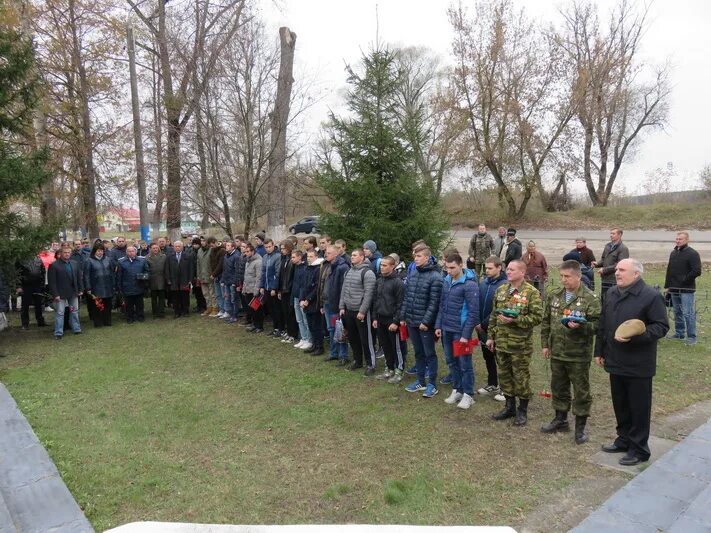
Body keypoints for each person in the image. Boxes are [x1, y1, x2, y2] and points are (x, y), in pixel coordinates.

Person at [595, 258, 668, 466]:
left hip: (638, 363)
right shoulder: (611, 293)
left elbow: (661, 326)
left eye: (622, 270)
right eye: (617, 269)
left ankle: (639, 449)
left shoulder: (651, 296)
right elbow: (603, 323)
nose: (617, 273)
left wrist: (634, 336)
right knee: (621, 404)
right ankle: (624, 439)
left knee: (638, 407)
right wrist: (599, 351)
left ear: (636, 274)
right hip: (615, 359)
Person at [540, 260, 601, 444]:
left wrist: (581, 327)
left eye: (567, 276)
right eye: (561, 276)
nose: (563, 280)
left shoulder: (590, 298)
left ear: (578, 276)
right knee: (558, 387)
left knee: (581, 391)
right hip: (557, 351)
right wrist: (545, 344)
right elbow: (546, 321)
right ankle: (560, 419)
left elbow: (598, 325)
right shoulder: (554, 295)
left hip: (578, 354)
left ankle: (580, 427)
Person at [486, 259, 543, 426]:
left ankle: (522, 411)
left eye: (512, 269)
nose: (508, 272)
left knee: (521, 378)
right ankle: (509, 407)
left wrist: (516, 320)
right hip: (502, 342)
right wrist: (490, 336)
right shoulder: (501, 290)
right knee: (504, 376)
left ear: (522, 272)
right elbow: (493, 315)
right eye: (507, 269)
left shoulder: (531, 292)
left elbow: (537, 317)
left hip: (520, 345)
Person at [435, 253, 480, 409]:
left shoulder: (470, 284)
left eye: (452, 268)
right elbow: (442, 305)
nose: (449, 271)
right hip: (446, 329)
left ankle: (468, 394)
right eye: (447, 268)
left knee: (464, 363)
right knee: (451, 361)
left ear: (461, 265)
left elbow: (473, 313)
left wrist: (465, 335)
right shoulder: (446, 281)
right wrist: (438, 325)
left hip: (460, 332)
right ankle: (457, 389)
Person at [401, 245, 443, 398]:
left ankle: (432, 383)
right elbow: (407, 297)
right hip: (412, 320)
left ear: (427, 258)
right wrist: (403, 316)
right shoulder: (413, 274)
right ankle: (420, 381)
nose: (416, 259)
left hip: (425, 324)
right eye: (415, 256)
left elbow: (434, 302)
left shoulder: (435, 277)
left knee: (429, 353)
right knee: (418, 352)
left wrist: (426, 321)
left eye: (419, 256)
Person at [340, 248, 377, 375]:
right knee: (353, 337)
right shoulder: (349, 271)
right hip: (348, 310)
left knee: (366, 339)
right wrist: (341, 306)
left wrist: (362, 311)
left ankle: (370, 364)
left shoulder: (368, 273)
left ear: (362, 257)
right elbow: (343, 290)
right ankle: (357, 360)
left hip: (361, 312)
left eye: (355, 255)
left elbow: (369, 294)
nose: (352, 257)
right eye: (352, 255)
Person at [476, 256, 507, 401]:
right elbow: (476, 303)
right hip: (481, 329)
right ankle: (492, 383)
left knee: (501, 358)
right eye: (485, 268)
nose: (486, 271)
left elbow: (499, 309)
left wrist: (484, 324)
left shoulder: (505, 285)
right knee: (487, 356)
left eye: (490, 268)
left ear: (499, 267)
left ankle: (505, 388)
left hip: (496, 329)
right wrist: (477, 323)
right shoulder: (483, 283)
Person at [664, 231, 702, 345]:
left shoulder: (692, 253)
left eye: (680, 239)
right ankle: (680, 333)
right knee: (677, 311)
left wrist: (684, 280)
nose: (678, 241)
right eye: (677, 239)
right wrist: (668, 286)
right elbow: (669, 270)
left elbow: (697, 271)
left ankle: (692, 337)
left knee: (688, 313)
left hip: (687, 289)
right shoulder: (673, 253)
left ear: (687, 240)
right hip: (674, 288)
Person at [371, 255, 405, 381]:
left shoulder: (398, 282)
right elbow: (375, 300)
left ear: (392, 266)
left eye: (385, 265)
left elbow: (400, 304)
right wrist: (375, 318)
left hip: (392, 320)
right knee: (385, 345)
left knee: (396, 347)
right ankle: (389, 368)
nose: (382, 267)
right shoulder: (379, 281)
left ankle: (399, 370)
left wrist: (396, 321)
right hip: (380, 319)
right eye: (381, 265)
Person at [322, 245, 350, 364]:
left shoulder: (342, 267)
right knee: (331, 329)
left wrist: (341, 306)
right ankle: (334, 353)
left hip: (336, 305)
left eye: (328, 253)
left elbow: (342, 289)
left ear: (335, 254)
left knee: (340, 329)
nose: (325, 255)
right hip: (327, 302)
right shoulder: (328, 265)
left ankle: (343, 355)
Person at [47, 246, 83, 339]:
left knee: (74, 311)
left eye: (68, 252)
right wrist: (55, 294)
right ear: (61, 253)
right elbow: (52, 282)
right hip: (60, 293)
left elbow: (79, 278)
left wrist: (80, 289)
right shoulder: (54, 265)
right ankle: (58, 332)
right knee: (60, 313)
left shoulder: (74, 263)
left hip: (73, 292)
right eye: (65, 252)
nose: (67, 254)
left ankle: (76, 329)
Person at [592, 228, 629, 303]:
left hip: (615, 279)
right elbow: (603, 259)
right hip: (605, 278)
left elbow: (620, 265)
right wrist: (597, 264)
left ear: (620, 235)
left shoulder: (623, 248)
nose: (611, 235)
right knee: (604, 299)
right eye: (610, 233)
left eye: (613, 233)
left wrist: (604, 270)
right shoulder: (607, 246)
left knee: (613, 300)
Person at [83, 242, 115, 327]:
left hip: (107, 285)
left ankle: (107, 321)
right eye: (98, 251)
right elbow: (86, 275)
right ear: (94, 251)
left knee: (107, 305)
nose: (100, 252)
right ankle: (98, 322)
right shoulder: (89, 261)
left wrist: (113, 284)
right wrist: (88, 287)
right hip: (96, 286)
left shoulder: (107, 259)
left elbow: (111, 272)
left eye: (102, 251)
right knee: (97, 305)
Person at [301, 250, 326, 355]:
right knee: (310, 325)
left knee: (316, 325)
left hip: (314, 302)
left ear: (316, 257)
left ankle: (320, 346)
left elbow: (317, 287)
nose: (309, 258)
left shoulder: (318, 268)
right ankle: (314, 344)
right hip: (306, 301)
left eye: (311, 256)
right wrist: (301, 299)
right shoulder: (307, 267)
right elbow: (303, 285)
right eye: (308, 256)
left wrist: (308, 299)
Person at [116, 245, 149, 323]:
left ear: (135, 252)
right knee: (129, 304)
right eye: (129, 251)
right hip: (127, 286)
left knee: (139, 304)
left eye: (132, 251)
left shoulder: (142, 260)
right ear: (126, 252)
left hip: (139, 285)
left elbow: (147, 271)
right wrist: (119, 287)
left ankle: (140, 316)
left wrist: (143, 277)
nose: (131, 253)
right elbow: (119, 276)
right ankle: (130, 318)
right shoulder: (121, 262)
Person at [16, 253, 47, 329]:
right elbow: (17, 274)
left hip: (37, 285)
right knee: (25, 305)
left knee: (39, 304)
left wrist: (42, 285)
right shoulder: (20, 260)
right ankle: (25, 324)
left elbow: (43, 272)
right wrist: (19, 286)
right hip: (26, 286)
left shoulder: (39, 259)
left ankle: (40, 321)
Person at [165, 241, 194, 318]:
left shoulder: (188, 256)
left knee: (185, 296)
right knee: (175, 297)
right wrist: (168, 279)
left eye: (179, 246)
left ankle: (185, 311)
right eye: (176, 246)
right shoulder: (169, 256)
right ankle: (177, 312)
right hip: (174, 280)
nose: (177, 248)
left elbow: (191, 268)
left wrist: (190, 279)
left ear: (182, 247)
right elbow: (167, 269)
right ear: (173, 247)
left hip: (185, 279)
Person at [260, 238, 282, 337]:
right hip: (266, 287)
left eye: (269, 246)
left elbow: (278, 273)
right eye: (266, 247)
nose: (268, 249)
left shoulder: (278, 256)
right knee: (271, 309)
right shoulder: (264, 257)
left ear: (273, 245)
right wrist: (261, 286)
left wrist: (274, 288)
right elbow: (263, 273)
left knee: (277, 309)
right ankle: (275, 327)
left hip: (273, 288)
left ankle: (280, 328)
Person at [277, 241, 298, 343]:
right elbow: (281, 276)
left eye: (284, 249)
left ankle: (293, 334)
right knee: (285, 312)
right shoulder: (284, 259)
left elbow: (292, 277)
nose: (282, 251)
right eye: (281, 249)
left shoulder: (291, 260)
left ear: (289, 248)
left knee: (291, 313)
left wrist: (288, 288)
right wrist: (280, 290)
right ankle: (289, 332)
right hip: (284, 290)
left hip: (290, 290)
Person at [291, 250, 310, 347]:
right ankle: (303, 338)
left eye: (294, 257)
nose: (292, 259)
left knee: (305, 319)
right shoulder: (296, 267)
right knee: (299, 319)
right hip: (295, 296)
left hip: (301, 297)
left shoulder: (304, 268)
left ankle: (309, 340)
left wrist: (303, 298)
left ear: (299, 257)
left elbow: (303, 285)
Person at [243, 243, 264, 332]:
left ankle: (259, 326)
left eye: (248, 251)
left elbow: (259, 277)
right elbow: (246, 276)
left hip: (254, 289)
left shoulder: (258, 262)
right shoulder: (247, 261)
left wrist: (256, 290)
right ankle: (254, 324)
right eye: (245, 252)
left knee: (257, 309)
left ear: (253, 251)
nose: (246, 253)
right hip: (248, 288)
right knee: (251, 309)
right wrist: (244, 288)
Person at [146, 242, 167, 318]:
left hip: (161, 279)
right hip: (152, 279)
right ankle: (155, 312)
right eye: (153, 248)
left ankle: (161, 312)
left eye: (156, 248)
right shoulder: (147, 257)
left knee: (161, 297)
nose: (155, 249)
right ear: (150, 249)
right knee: (154, 298)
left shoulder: (164, 256)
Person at [221, 241, 240, 323]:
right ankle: (231, 314)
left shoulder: (236, 256)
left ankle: (235, 316)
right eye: (226, 245)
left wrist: (234, 282)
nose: (226, 246)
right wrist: (222, 280)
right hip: (226, 281)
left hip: (232, 282)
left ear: (233, 247)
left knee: (234, 299)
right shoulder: (226, 256)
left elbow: (237, 270)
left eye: (228, 245)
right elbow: (224, 269)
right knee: (228, 298)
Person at [197, 237, 215, 316]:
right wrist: (198, 275)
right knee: (205, 293)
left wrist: (213, 273)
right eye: (201, 241)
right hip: (202, 275)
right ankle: (209, 307)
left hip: (210, 274)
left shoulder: (211, 250)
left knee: (212, 293)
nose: (202, 242)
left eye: (204, 240)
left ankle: (215, 308)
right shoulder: (199, 251)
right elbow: (198, 264)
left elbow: (214, 263)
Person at [209, 241, 226, 318]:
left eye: (212, 245)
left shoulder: (222, 250)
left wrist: (214, 274)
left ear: (215, 242)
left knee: (223, 294)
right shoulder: (212, 250)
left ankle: (226, 310)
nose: (211, 247)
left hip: (221, 275)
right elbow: (212, 263)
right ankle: (221, 309)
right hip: (215, 275)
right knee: (218, 294)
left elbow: (220, 264)